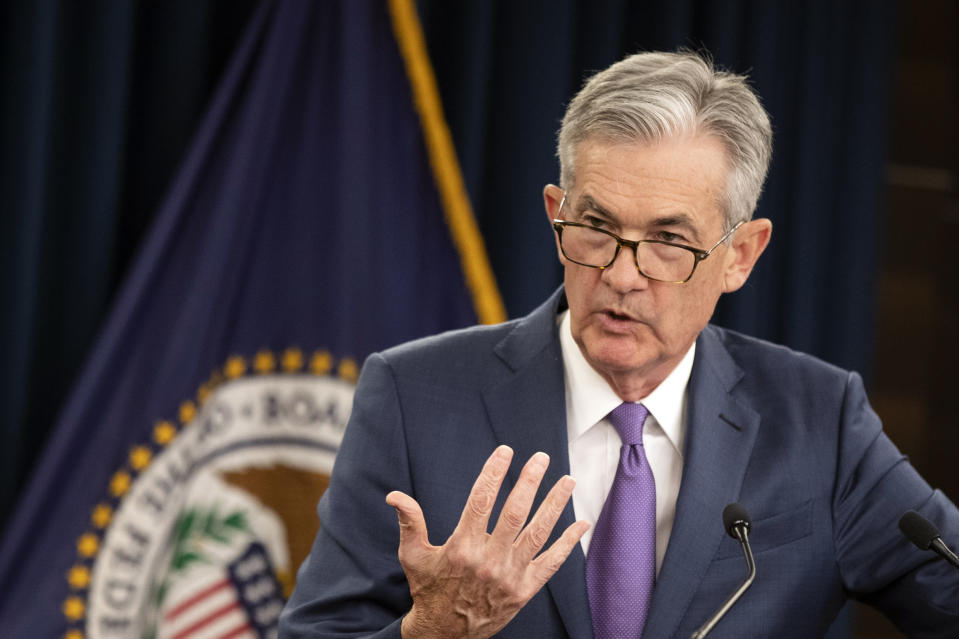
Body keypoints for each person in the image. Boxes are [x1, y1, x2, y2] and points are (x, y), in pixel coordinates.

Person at [279, 50, 959, 638]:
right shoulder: (413, 397)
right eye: (594, 228)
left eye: (667, 241)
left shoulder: (819, 421)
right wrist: (431, 631)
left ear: (740, 255)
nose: (620, 274)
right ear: (556, 213)